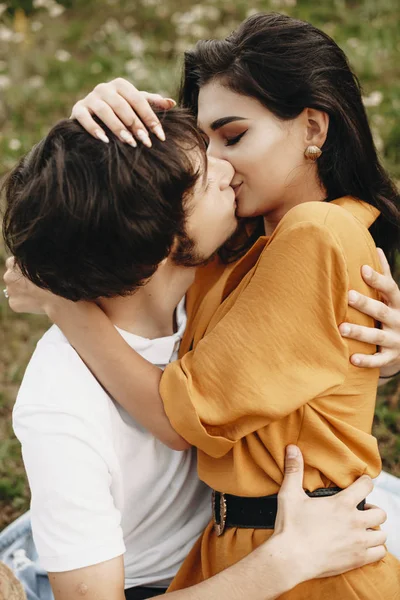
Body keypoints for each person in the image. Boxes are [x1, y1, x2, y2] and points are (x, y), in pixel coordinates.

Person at [9, 11, 400, 600]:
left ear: (313, 128)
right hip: (234, 548)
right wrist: (105, 122)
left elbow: (181, 419)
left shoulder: (313, 233)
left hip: (302, 548)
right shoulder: (237, 248)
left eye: (234, 136)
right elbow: (117, 217)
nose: (218, 163)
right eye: (204, 141)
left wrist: (66, 305)